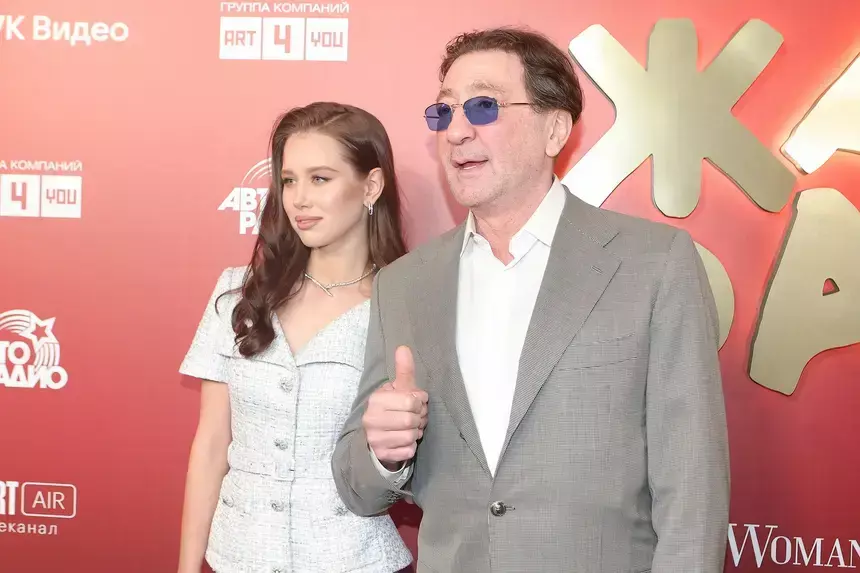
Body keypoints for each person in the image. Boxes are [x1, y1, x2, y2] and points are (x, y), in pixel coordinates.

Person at [332, 27, 730, 573]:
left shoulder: (652, 263)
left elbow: (693, 486)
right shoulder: (403, 285)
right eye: (444, 112)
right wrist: (382, 451)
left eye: (483, 106)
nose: (456, 132)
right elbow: (358, 489)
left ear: (555, 129)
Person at [176, 102, 414, 573]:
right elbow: (211, 445)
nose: (298, 199)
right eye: (289, 180)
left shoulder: (404, 305)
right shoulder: (238, 294)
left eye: (320, 179)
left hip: (352, 560)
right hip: (238, 556)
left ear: (371, 185)